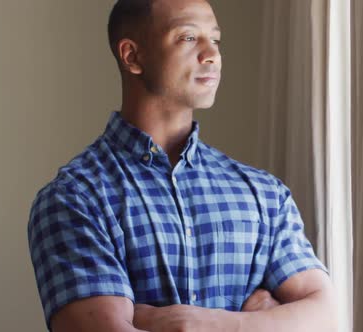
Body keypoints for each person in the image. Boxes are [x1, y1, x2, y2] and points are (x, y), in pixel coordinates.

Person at [27, 0, 337, 331]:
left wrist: (204, 324)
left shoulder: (265, 196)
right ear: (132, 56)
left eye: (215, 40)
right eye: (188, 37)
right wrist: (261, 320)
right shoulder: (75, 199)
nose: (212, 55)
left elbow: (326, 317)